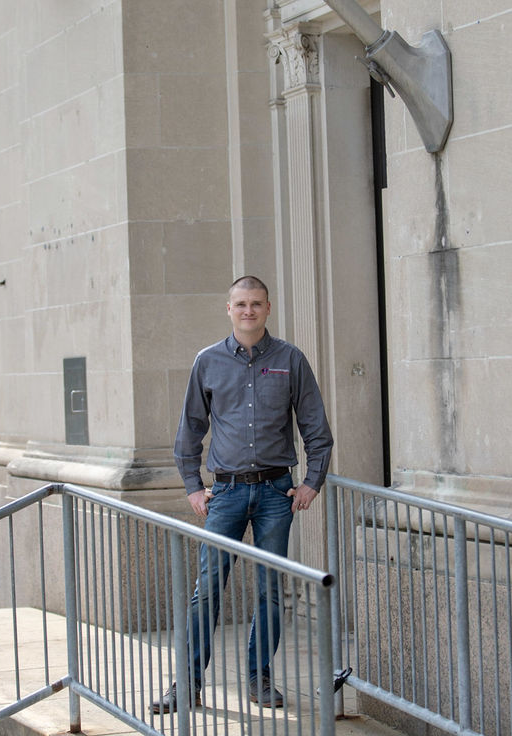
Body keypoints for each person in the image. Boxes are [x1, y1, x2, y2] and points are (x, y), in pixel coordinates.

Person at [150, 275, 334, 714]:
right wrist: (194, 488)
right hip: (226, 493)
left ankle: (259, 678)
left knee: (271, 590)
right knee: (206, 590)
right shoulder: (207, 361)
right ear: (228, 308)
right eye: (240, 304)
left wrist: (312, 482)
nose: (248, 310)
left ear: (268, 308)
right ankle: (187, 683)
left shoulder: (291, 359)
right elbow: (189, 432)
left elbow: (317, 431)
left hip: (276, 492)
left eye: (256, 303)